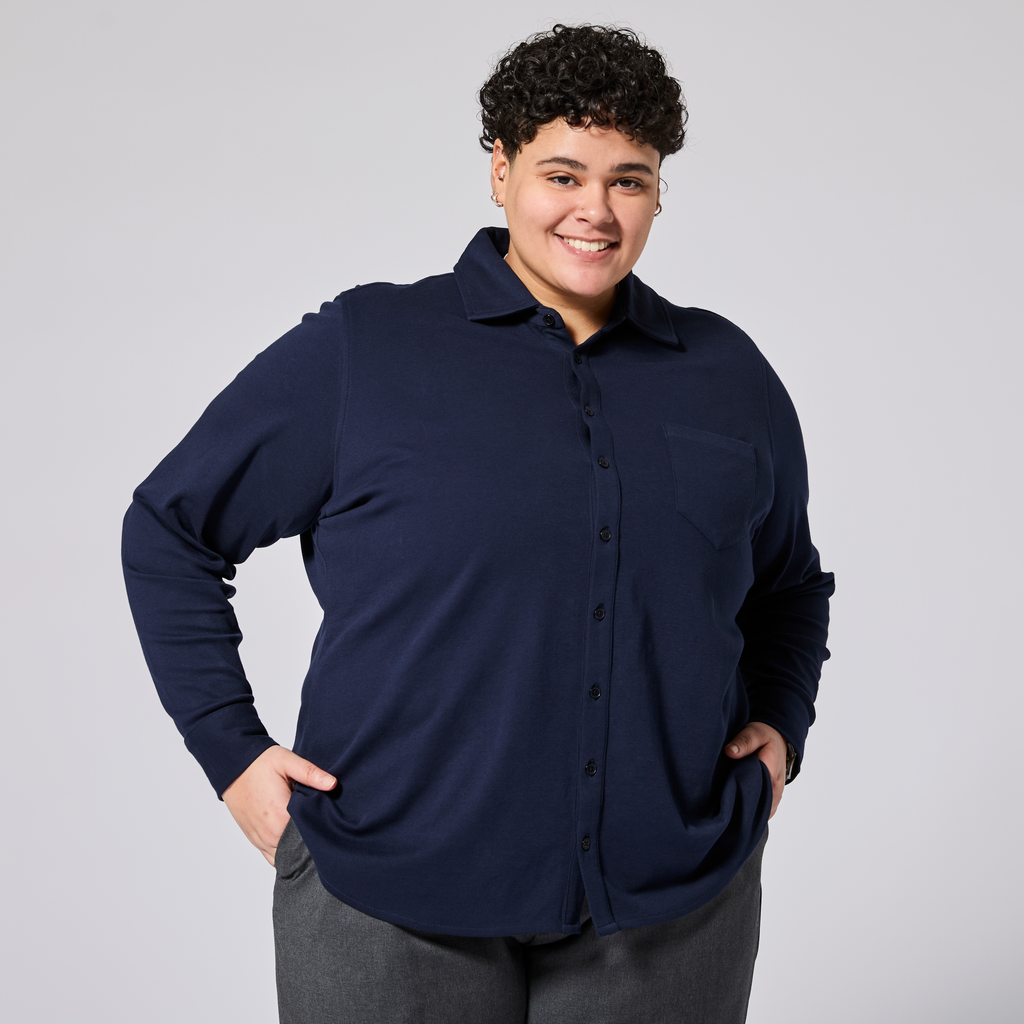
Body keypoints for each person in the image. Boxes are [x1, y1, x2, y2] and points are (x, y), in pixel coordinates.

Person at [122, 23, 833, 1024]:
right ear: (499, 172)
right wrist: (229, 752)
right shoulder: (367, 349)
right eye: (562, 173)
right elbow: (169, 527)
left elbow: (789, 583)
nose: (595, 209)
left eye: (629, 179)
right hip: (388, 904)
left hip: (669, 910)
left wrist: (781, 730)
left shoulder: (725, 376)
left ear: (660, 191)